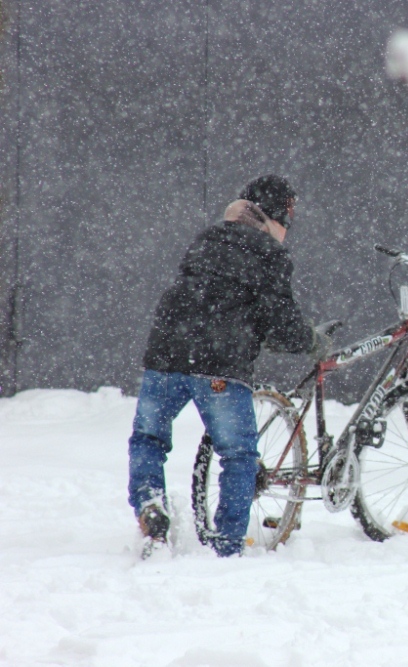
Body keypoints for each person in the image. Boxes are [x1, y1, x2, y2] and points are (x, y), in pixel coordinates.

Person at [127, 175, 332, 557]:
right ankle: (227, 542)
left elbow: (211, 296)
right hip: (219, 363)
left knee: (148, 438)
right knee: (238, 456)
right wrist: (313, 341)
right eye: (287, 218)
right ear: (275, 217)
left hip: (166, 352)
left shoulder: (208, 238)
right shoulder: (270, 254)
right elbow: (283, 326)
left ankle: (150, 504)